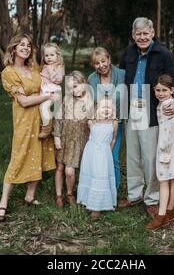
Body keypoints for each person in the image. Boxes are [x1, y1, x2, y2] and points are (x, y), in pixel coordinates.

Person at [118, 17, 174, 218]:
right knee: (133, 155)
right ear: (133, 35)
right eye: (138, 34)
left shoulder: (163, 54)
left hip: (151, 110)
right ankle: (134, 194)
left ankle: (152, 198)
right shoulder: (129, 53)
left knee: (150, 157)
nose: (142, 37)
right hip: (131, 109)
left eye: (145, 33)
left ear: (152, 33)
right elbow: (121, 78)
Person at [0, 33, 56, 222]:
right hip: (24, 120)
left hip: (42, 117)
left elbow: (51, 79)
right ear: (14, 48)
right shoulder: (9, 73)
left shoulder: (33, 68)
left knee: (40, 153)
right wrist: (48, 97)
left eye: (28, 45)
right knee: (18, 157)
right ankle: (3, 203)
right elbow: (24, 102)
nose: (26, 48)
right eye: (22, 45)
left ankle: (29, 195)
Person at [146, 75, 174, 230]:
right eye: (157, 90)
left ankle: (161, 216)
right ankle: (170, 211)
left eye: (164, 90)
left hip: (170, 145)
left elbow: (167, 131)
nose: (160, 93)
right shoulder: (166, 103)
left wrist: (164, 151)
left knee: (165, 179)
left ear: (172, 90)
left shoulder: (167, 106)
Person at [52, 71, 92, 208]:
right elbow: (57, 119)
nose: (72, 90)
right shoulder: (65, 100)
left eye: (75, 86)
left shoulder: (89, 101)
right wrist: (56, 136)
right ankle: (58, 195)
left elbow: (93, 121)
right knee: (60, 167)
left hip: (79, 140)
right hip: (64, 138)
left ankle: (69, 193)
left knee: (70, 171)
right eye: (69, 88)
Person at [87, 47, 125, 190]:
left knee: (113, 157)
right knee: (99, 158)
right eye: (97, 63)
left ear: (109, 59)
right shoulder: (92, 78)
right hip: (98, 125)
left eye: (103, 61)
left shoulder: (121, 74)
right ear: (94, 65)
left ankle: (113, 191)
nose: (101, 65)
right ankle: (99, 188)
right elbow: (90, 101)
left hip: (116, 123)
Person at [77, 96, 118, 219]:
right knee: (92, 174)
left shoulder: (114, 123)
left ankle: (98, 206)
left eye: (109, 108)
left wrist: (107, 151)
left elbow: (113, 139)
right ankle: (88, 200)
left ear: (113, 110)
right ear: (97, 109)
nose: (106, 110)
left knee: (101, 176)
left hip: (104, 153)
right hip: (91, 152)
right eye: (103, 107)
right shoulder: (92, 122)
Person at [39, 43, 65, 139]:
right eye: (46, 55)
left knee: (44, 107)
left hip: (53, 91)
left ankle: (47, 128)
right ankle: (46, 123)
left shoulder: (58, 67)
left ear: (58, 56)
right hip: (45, 90)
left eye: (52, 55)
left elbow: (57, 79)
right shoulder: (46, 66)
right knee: (41, 108)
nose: (49, 58)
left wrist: (50, 71)